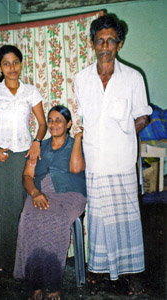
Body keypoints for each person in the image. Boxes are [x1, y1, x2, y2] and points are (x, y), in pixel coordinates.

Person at [74, 15, 152, 295]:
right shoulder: (81, 79)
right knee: (98, 218)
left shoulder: (132, 77)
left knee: (127, 218)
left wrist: (124, 133)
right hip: (95, 161)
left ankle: (132, 273)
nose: (105, 46)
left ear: (119, 44)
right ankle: (99, 268)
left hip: (121, 161)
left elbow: (142, 115)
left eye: (110, 41)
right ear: (92, 44)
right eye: (100, 40)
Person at [0, 45, 47, 273]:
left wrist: (37, 141)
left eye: (15, 62)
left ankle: (11, 262)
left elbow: (42, 123)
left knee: (15, 207)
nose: (11, 68)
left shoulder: (31, 92)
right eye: (6, 64)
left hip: (22, 155)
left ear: (21, 63)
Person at [13, 105, 87, 300]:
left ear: (68, 124)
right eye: (51, 120)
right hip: (41, 192)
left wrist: (78, 140)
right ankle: (35, 282)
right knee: (28, 219)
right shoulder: (39, 147)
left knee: (56, 220)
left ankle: (53, 284)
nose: (54, 124)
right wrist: (35, 192)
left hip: (70, 193)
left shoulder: (76, 144)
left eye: (59, 120)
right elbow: (27, 175)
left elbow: (76, 169)